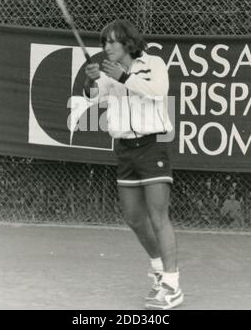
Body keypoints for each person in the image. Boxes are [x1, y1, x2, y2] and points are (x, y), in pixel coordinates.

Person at [83, 19, 183, 310]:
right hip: (125, 151)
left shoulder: (154, 64)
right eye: (104, 43)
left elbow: (158, 92)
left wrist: (125, 77)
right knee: (134, 219)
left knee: (157, 216)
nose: (107, 47)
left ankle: (173, 286)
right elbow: (92, 97)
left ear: (128, 42)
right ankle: (158, 273)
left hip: (153, 147)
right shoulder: (107, 73)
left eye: (113, 41)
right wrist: (91, 79)